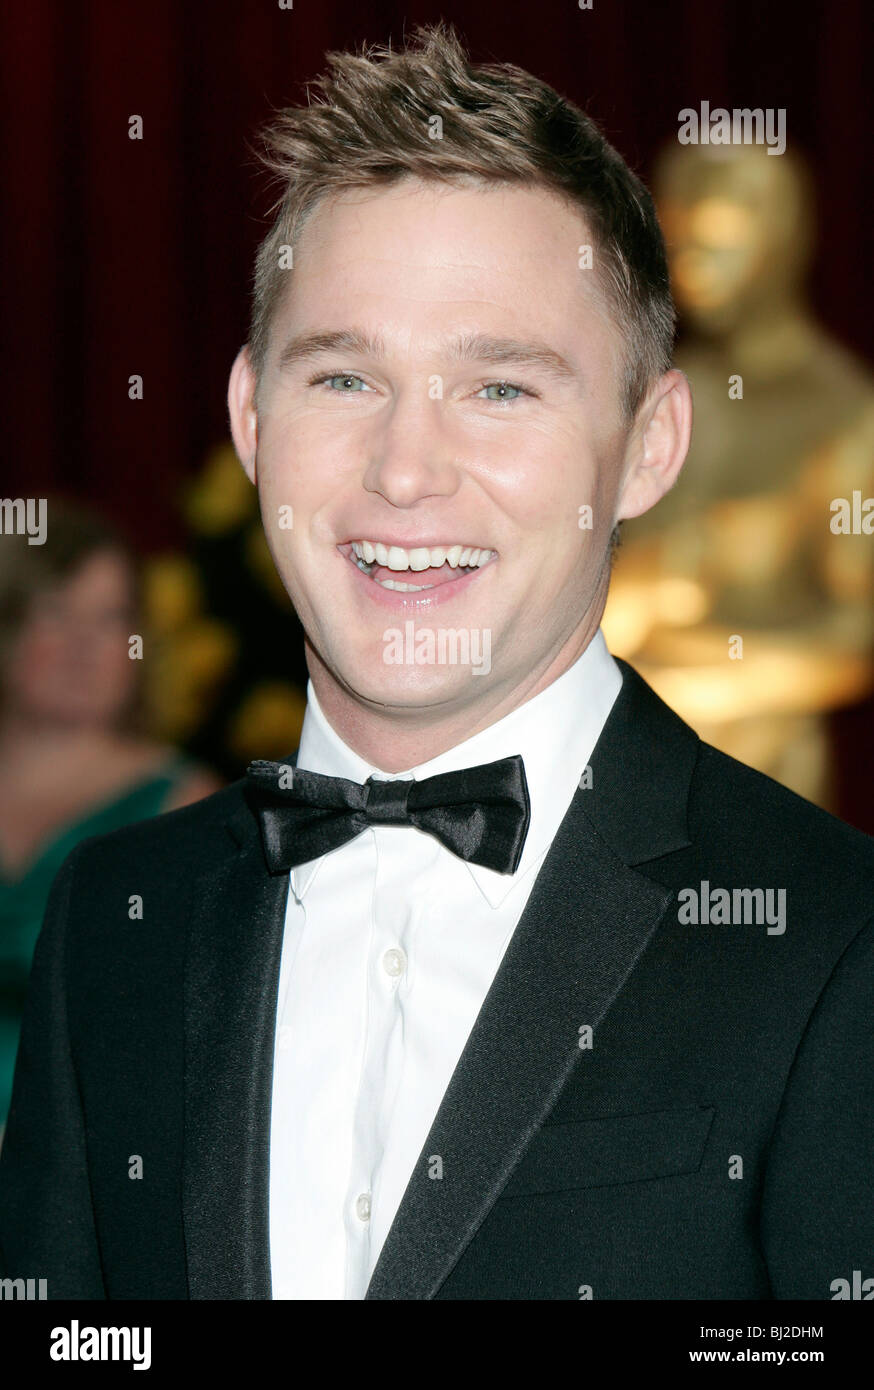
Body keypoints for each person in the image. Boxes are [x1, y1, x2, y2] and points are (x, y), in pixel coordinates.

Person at [0, 22, 871, 1300]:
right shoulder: (114, 918)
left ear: (649, 443)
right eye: (344, 377)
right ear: (251, 418)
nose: (404, 471)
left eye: (501, 389)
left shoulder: (837, 941)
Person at [0, 499, 220, 1134]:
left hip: (83, 1162)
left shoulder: (185, 804)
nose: (84, 649)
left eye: (111, 618)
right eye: (55, 613)